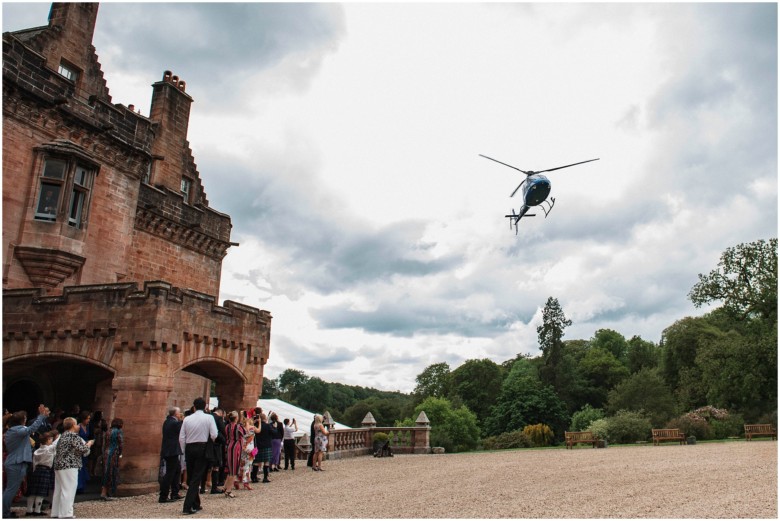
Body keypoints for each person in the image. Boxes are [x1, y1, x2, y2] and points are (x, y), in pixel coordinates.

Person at [3, 405, 49, 519]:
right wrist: (41, 416)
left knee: (11, 489)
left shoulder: (13, 430)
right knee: (10, 490)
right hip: (16, 463)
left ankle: (6, 510)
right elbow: (32, 429)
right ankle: (4, 513)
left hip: (15, 462)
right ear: (22, 420)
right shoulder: (17, 430)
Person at [178, 398, 217, 516]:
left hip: (189, 448)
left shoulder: (187, 419)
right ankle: (187, 506)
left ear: (194, 407)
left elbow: (181, 437)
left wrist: (184, 450)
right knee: (196, 478)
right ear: (205, 407)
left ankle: (196, 503)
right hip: (202, 447)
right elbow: (214, 434)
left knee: (191, 477)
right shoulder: (209, 418)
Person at [51, 417, 94, 519]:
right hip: (70, 465)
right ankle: (66, 513)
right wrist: (89, 444)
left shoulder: (62, 436)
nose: (78, 426)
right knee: (69, 489)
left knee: (59, 490)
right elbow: (82, 449)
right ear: (73, 426)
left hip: (59, 465)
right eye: (76, 424)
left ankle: (56, 512)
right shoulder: (73, 436)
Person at [24, 431, 58, 517]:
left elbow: (34, 463)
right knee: (40, 492)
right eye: (50, 439)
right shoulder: (49, 449)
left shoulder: (37, 450)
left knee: (32, 491)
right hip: (45, 471)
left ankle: (29, 510)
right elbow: (56, 443)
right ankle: (37, 511)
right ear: (47, 440)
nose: (52, 440)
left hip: (36, 471)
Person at [159, 407, 183, 504]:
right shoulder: (174, 423)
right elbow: (180, 429)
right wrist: (182, 420)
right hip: (172, 451)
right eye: (178, 413)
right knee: (170, 473)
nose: (179, 414)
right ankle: (163, 496)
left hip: (169, 450)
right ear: (175, 414)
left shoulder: (167, 421)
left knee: (177, 470)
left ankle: (175, 492)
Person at [99, 418, 123, 500]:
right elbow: (120, 444)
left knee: (105, 472)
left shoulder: (108, 431)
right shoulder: (118, 431)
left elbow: (105, 444)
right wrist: (120, 454)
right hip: (113, 454)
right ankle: (106, 492)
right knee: (111, 473)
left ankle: (104, 491)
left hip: (106, 453)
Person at [222, 411, 243, 498]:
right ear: (236, 418)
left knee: (230, 468)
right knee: (233, 470)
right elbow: (244, 434)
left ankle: (225, 487)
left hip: (229, 446)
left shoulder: (227, 426)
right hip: (236, 447)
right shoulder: (238, 427)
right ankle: (229, 490)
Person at [207, 408, 226, 495]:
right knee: (216, 466)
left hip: (205, 444)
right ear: (221, 413)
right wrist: (224, 441)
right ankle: (214, 487)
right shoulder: (218, 419)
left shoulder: (207, 417)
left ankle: (202, 487)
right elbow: (223, 430)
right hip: (216, 444)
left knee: (206, 466)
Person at [75, 412, 91, 494]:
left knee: (84, 466)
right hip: (80, 447)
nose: (89, 420)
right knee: (79, 467)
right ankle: (78, 486)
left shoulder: (87, 427)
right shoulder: (78, 427)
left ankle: (82, 486)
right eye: (87, 418)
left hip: (85, 447)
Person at [240, 417, 256, 489]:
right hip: (249, 449)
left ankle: (237, 480)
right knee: (248, 465)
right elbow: (250, 438)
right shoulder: (251, 431)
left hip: (242, 448)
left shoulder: (241, 430)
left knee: (242, 464)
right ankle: (246, 481)